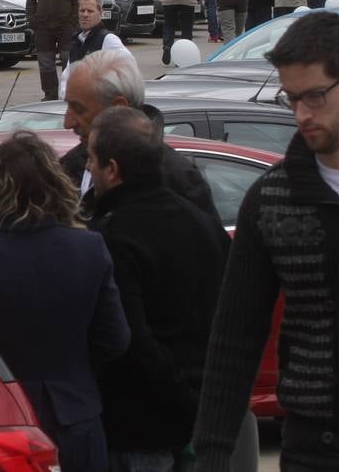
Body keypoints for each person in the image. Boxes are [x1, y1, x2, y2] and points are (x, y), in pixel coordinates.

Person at [194, 12, 339, 470]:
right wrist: (212, 456)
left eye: (315, 96)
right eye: (291, 99)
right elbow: (234, 338)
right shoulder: (271, 200)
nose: (302, 114)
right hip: (312, 451)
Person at [0, 131, 131, 472]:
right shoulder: (88, 249)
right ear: (56, 185)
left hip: (3, 420)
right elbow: (115, 340)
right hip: (76, 414)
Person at [86, 106, 229, 470]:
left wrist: (182, 399)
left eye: (91, 158)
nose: (87, 168)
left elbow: (129, 340)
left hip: (139, 428)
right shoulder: (203, 223)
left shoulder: (115, 236)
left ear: (113, 169)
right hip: (202, 417)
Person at [61, 49, 218, 220]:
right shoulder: (68, 168)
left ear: (118, 108)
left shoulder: (179, 182)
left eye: (78, 109)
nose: (67, 123)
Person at [26, 0, 81, 102]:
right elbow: (30, 1)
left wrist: (73, 22)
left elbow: (78, 0)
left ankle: (69, 92)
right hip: (43, 27)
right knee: (45, 62)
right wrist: (32, 20)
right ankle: (50, 94)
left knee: (67, 60)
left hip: (65, 27)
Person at [59, 0, 128, 98]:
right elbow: (67, 76)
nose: (85, 14)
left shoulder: (108, 39)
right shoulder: (77, 41)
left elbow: (128, 68)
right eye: (82, 11)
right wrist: (65, 97)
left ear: (100, 13)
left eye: (90, 11)